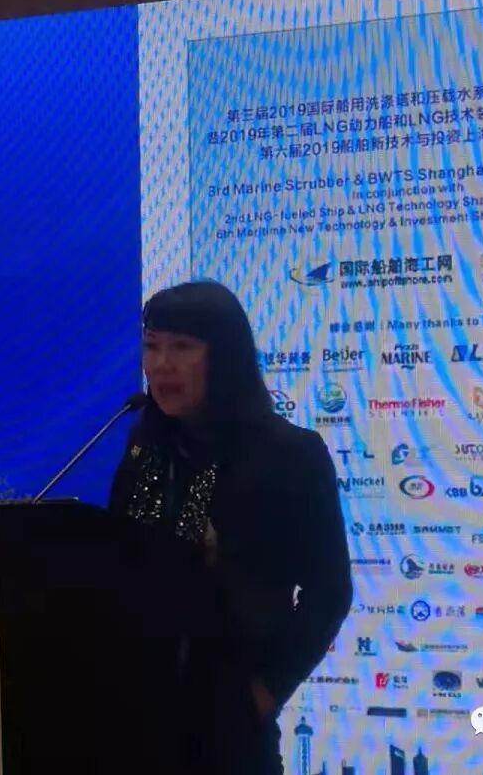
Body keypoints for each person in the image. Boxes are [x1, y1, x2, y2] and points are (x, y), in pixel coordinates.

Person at [107, 280, 353, 774]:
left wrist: (264, 692)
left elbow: (329, 592)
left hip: (230, 725)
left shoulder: (289, 454)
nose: (161, 364)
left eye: (182, 347)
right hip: (134, 717)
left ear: (225, 358)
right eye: (152, 346)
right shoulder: (146, 446)